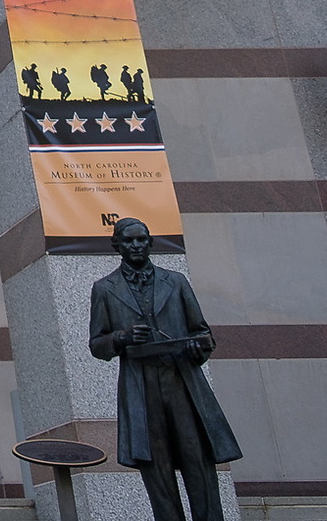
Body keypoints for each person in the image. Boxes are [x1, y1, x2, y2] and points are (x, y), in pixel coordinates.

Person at [89, 218, 241, 521]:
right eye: (129, 241)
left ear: (150, 242)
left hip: (181, 382)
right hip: (141, 388)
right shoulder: (105, 289)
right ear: (116, 245)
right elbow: (96, 344)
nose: (136, 246)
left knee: (197, 460)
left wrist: (199, 348)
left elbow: (203, 333)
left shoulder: (176, 281)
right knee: (156, 468)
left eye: (142, 240)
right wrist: (121, 337)